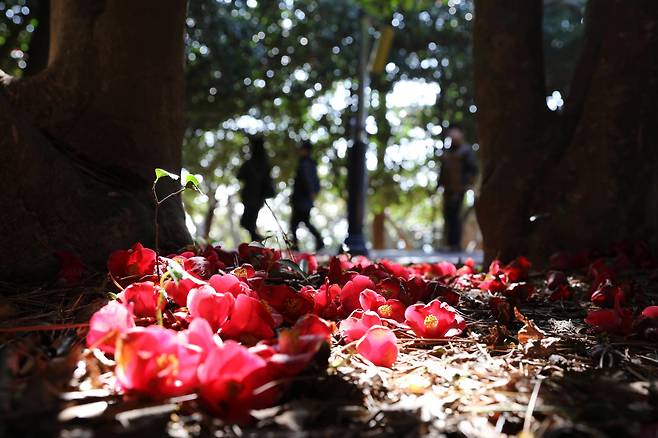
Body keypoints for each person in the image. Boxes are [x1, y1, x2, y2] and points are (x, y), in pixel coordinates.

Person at [438, 124, 478, 251]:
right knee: (448, 215)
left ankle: (455, 245)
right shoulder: (449, 151)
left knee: (455, 216)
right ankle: (449, 244)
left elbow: (472, 169)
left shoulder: (466, 150)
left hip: (459, 189)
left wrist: (467, 184)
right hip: (448, 189)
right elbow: (443, 171)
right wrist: (438, 185)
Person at [237, 136, 275, 241]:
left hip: (251, 197)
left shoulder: (250, 163)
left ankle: (256, 241)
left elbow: (239, 175)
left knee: (247, 223)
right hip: (258, 198)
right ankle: (256, 241)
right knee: (249, 223)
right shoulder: (265, 164)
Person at [290, 140, 324, 251]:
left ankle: (295, 247)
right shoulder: (311, 164)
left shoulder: (305, 164)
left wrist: (311, 192)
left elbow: (307, 180)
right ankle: (318, 241)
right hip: (305, 200)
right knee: (304, 222)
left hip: (301, 199)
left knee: (295, 224)